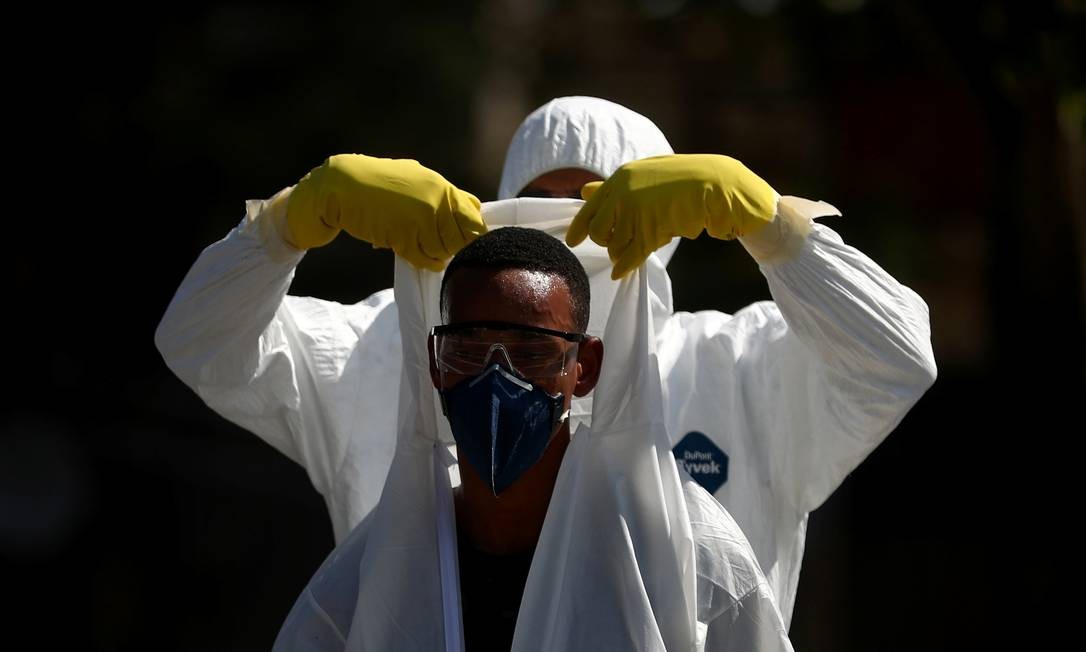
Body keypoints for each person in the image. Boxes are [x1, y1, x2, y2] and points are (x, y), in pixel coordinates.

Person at [155, 96, 936, 629]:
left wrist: (768, 223)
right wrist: (290, 223)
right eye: (544, 203)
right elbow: (202, 344)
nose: (571, 233)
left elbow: (895, 358)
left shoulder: (736, 367)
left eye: (597, 206)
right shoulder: (388, 349)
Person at [270, 222, 793, 650]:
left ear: (583, 368)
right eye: (471, 348)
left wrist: (781, 231)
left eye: (532, 351)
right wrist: (277, 228)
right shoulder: (377, 568)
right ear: (435, 362)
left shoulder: (681, 546)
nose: (498, 380)